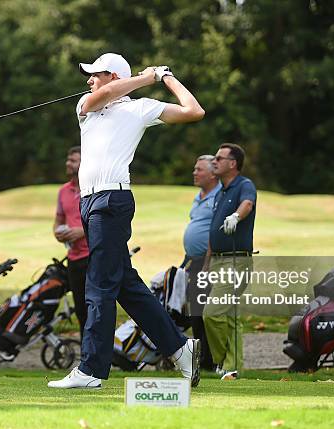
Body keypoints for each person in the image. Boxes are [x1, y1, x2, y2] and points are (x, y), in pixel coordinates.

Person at [48, 52, 205, 389]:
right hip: (89, 203)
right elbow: (102, 95)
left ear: (114, 76)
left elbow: (194, 111)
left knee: (99, 283)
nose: (89, 80)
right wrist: (147, 77)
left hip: (112, 201)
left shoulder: (140, 108)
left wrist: (166, 77)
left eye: (96, 74)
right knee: (126, 287)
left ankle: (91, 370)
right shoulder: (86, 106)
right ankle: (180, 350)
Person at [201, 143, 256, 377]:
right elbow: (214, 229)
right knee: (231, 317)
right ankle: (232, 368)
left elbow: (248, 204)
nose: (214, 161)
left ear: (232, 164)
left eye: (219, 158)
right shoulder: (221, 191)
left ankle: (221, 360)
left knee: (212, 313)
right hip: (218, 261)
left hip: (236, 262)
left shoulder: (244, 185)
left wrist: (236, 216)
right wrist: (207, 263)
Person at [182, 155, 222, 371]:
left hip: (209, 263)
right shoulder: (199, 196)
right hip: (193, 262)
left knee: (207, 312)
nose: (194, 173)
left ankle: (212, 360)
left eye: (199, 169)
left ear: (213, 173)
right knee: (195, 312)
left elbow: (214, 233)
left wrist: (207, 264)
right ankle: (203, 360)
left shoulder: (219, 196)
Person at [53, 146, 89, 339]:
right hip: (73, 259)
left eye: (73, 160)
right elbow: (58, 220)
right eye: (68, 159)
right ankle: (87, 356)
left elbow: (105, 223)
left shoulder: (92, 189)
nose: (68, 163)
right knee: (81, 309)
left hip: (92, 257)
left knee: (96, 308)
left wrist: (81, 232)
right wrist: (57, 233)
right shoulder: (63, 191)